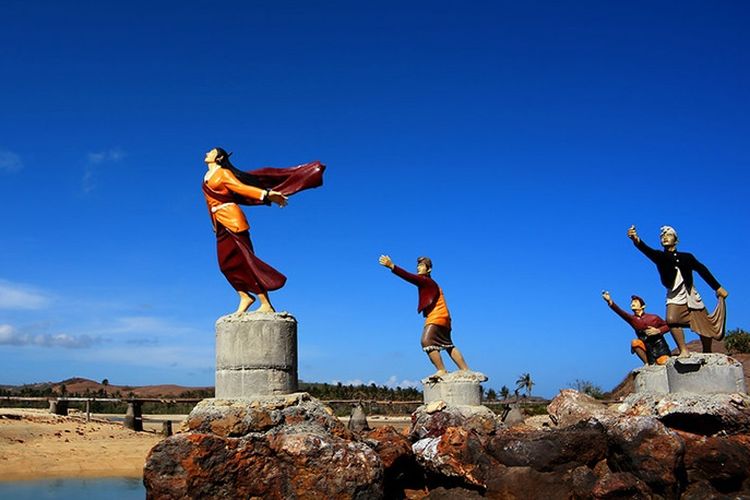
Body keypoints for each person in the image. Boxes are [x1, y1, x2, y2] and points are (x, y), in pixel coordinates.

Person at [202, 147, 324, 314]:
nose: (207, 152)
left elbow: (240, 188)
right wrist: (213, 223)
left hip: (232, 219)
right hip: (219, 222)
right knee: (225, 264)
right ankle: (245, 296)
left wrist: (266, 194)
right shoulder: (206, 177)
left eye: (212, 151)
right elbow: (210, 202)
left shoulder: (222, 173)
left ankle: (265, 303)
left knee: (245, 260)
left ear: (219, 157)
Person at [627, 225, 728, 357]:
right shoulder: (660, 256)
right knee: (671, 319)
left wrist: (717, 287)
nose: (664, 238)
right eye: (662, 236)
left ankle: (708, 351)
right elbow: (647, 250)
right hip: (674, 294)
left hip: (690, 294)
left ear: (676, 240)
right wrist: (636, 239)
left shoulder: (687, 257)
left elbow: (702, 270)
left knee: (703, 324)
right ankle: (683, 350)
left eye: (668, 235)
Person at [378, 254, 470, 379]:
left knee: (426, 341)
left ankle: (442, 370)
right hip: (444, 317)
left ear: (429, 269)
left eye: (421, 265)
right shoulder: (431, 283)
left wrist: (392, 266)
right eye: (418, 266)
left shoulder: (426, 281)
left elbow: (409, 277)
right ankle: (465, 369)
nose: (418, 268)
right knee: (447, 344)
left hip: (437, 316)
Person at [601, 291, 671, 365]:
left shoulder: (654, 317)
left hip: (659, 346)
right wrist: (609, 301)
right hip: (647, 347)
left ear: (643, 306)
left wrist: (658, 330)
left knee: (662, 361)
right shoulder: (632, 319)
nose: (632, 304)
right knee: (634, 342)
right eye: (631, 303)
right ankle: (647, 363)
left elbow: (669, 326)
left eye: (635, 302)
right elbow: (620, 312)